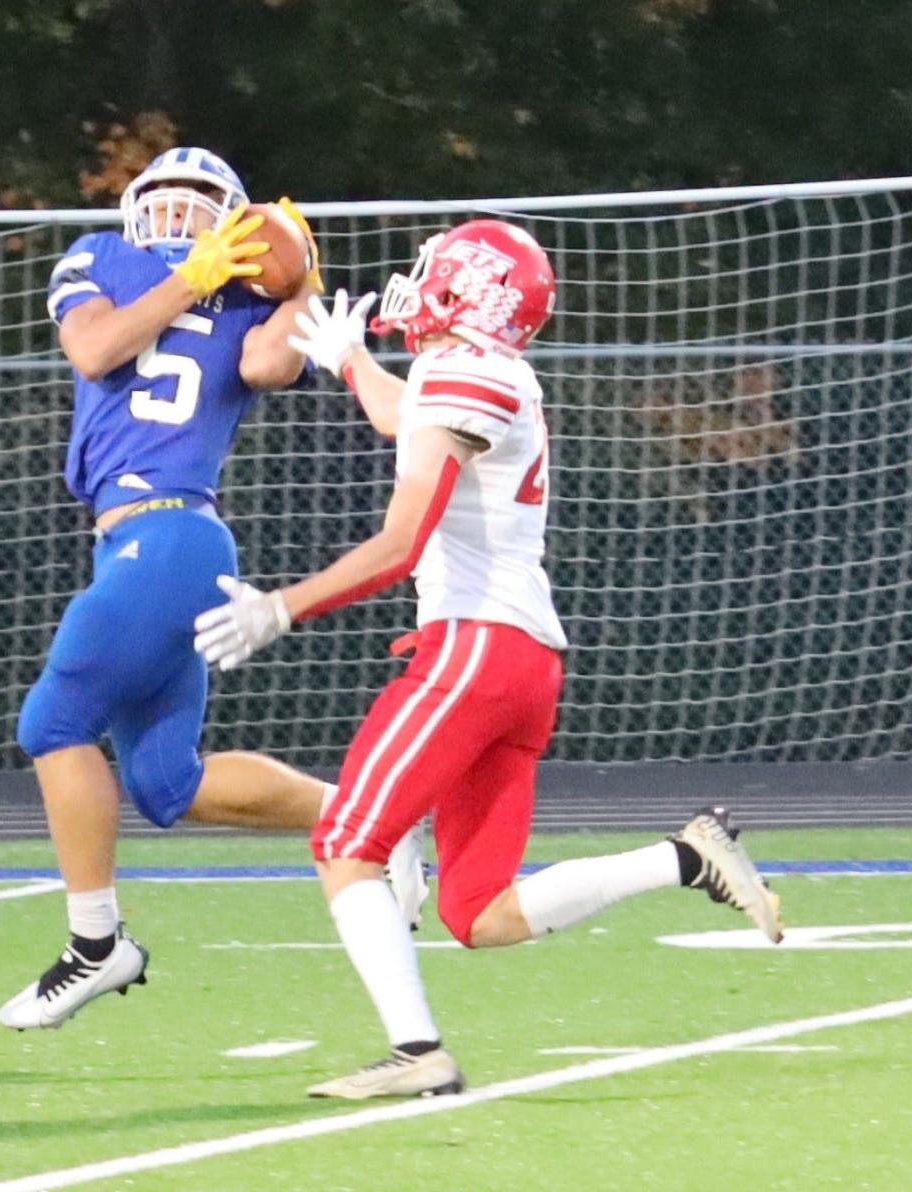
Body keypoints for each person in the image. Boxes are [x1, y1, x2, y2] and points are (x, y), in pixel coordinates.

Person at [193, 219, 785, 1098]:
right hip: (523, 660)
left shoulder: (468, 372)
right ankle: (688, 856)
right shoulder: (485, 371)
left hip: (475, 646)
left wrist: (284, 605)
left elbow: (401, 543)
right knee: (481, 911)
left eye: (438, 271)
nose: (419, 281)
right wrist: (352, 359)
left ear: (469, 288)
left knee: (346, 841)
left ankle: (417, 1053)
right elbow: (410, 421)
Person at [0, 147, 424, 1031]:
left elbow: (269, 366)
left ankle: (95, 945)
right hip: (128, 543)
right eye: (167, 201)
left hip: (175, 532)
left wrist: (299, 278)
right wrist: (187, 281)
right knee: (165, 783)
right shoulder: (98, 258)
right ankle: (374, 816)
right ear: (136, 208)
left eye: (201, 208)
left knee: (52, 723)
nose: (181, 219)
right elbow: (93, 347)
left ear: (233, 220)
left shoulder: (247, 294)